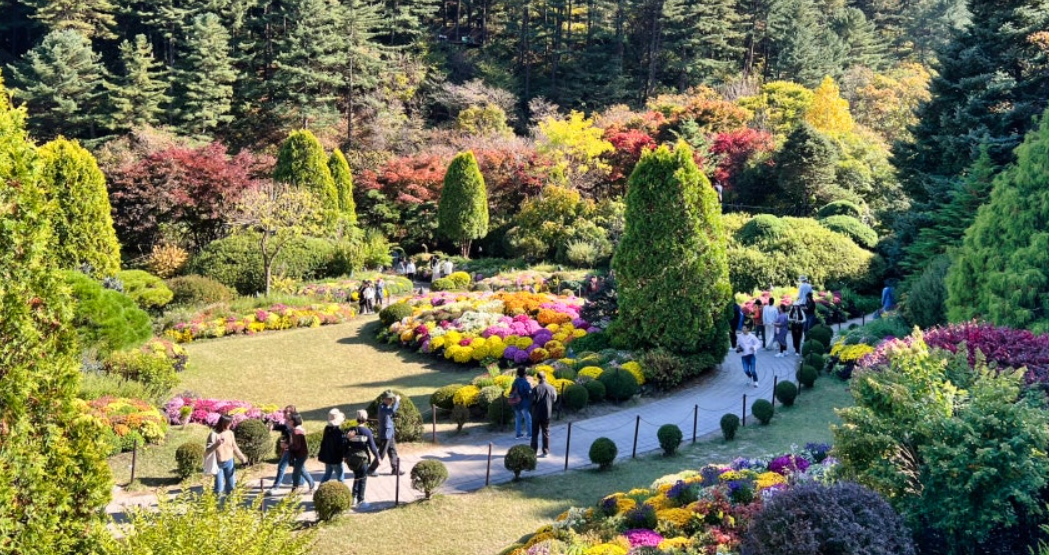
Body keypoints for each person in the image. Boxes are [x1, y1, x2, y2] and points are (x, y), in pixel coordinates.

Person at [346, 409, 380, 510]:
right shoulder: (367, 432)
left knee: (356, 477)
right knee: (363, 479)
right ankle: (361, 501)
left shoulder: (351, 430)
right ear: (365, 419)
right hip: (362, 459)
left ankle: (353, 497)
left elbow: (346, 444)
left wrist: (345, 456)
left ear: (357, 419)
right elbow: (372, 447)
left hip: (352, 458)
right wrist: (378, 457)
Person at [205, 414, 247, 496]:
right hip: (218, 464)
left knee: (231, 486)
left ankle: (231, 506)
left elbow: (234, 447)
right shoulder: (213, 435)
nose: (231, 424)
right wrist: (216, 444)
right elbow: (207, 451)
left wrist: (242, 458)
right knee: (219, 489)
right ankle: (218, 507)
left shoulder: (230, 433)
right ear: (224, 423)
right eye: (230, 423)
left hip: (229, 462)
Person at [265, 405, 299, 495]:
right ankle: (304, 483)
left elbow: (294, 436)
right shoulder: (287, 423)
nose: (284, 413)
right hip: (288, 449)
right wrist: (272, 426)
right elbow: (281, 427)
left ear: (291, 413)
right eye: (284, 411)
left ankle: (275, 487)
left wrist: (286, 444)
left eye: (286, 412)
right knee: (299, 468)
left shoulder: (295, 424)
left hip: (292, 449)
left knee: (282, 467)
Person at [368, 391, 404, 476]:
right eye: (390, 399)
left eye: (392, 399)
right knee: (382, 453)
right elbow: (391, 411)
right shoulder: (382, 407)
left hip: (389, 433)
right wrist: (397, 401)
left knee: (392, 451)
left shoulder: (387, 406)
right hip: (385, 434)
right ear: (385, 399)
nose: (391, 400)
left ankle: (395, 468)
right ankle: (371, 469)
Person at [530, 372, 558, 457]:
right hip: (547, 413)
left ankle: (533, 451)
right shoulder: (551, 388)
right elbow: (554, 399)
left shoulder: (535, 389)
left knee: (535, 433)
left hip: (536, 414)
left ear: (538, 378)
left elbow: (532, 401)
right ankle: (546, 451)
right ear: (545, 377)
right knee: (546, 432)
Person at [287, 413, 315, 493]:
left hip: (300, 455)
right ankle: (311, 485)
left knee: (296, 472)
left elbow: (297, 446)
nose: (288, 421)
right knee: (302, 470)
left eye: (289, 420)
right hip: (302, 454)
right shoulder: (300, 429)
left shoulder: (296, 432)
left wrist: (288, 446)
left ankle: (295, 488)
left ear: (293, 421)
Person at [319, 408, 347, 483]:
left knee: (327, 475)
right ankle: (342, 492)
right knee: (340, 477)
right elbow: (339, 447)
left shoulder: (327, 429)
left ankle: (320, 489)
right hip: (335, 459)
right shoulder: (338, 432)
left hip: (327, 457)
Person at [509, 366, 533, 440]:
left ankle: (518, 434)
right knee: (528, 419)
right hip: (523, 403)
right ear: (524, 374)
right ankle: (529, 434)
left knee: (518, 419)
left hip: (516, 402)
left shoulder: (515, 381)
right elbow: (529, 393)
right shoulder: (525, 383)